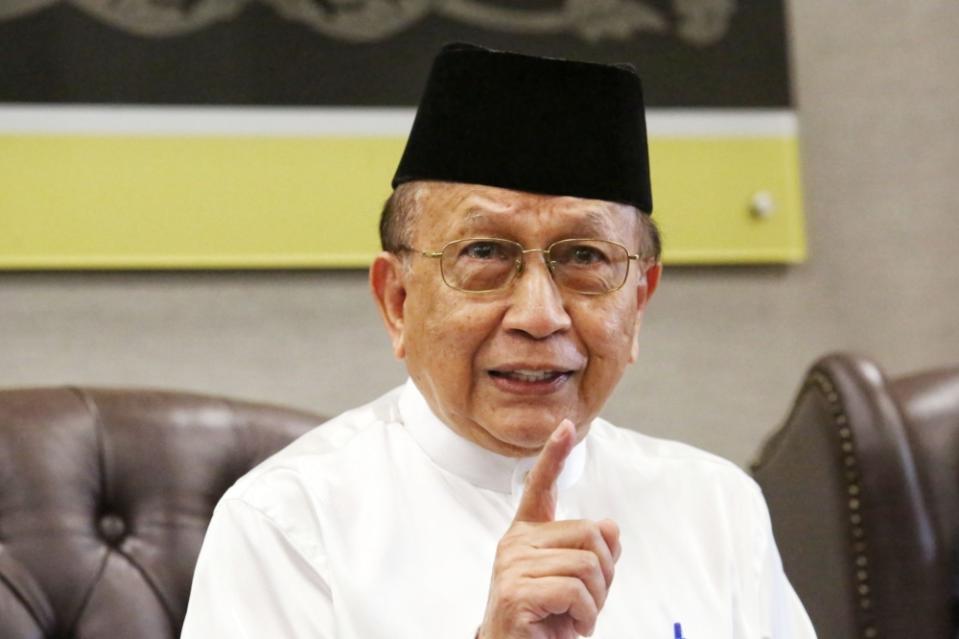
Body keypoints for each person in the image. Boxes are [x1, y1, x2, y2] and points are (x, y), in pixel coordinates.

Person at [181, 43, 816, 638]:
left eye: (584, 257)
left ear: (639, 303)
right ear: (397, 301)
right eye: (483, 253)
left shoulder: (715, 507)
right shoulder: (289, 521)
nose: (539, 317)